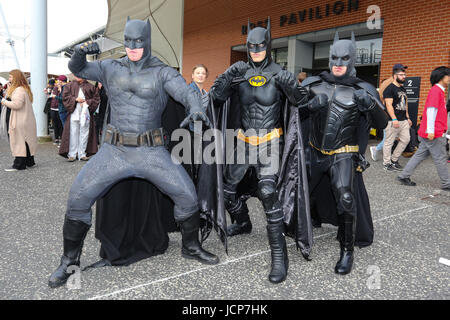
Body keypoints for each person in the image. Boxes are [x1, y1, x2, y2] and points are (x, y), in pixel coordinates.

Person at [48, 18, 218, 289]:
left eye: (139, 43)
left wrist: (196, 107)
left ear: (147, 41)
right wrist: (79, 54)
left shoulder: (162, 72)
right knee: (78, 198)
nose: (133, 48)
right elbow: (78, 68)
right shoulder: (110, 67)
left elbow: (186, 93)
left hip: (151, 152)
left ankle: (191, 246)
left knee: (187, 196)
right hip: (114, 151)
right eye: (128, 43)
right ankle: (70, 262)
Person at [210, 19, 310, 283]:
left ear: (269, 45)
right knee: (227, 189)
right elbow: (216, 98)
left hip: (269, 141)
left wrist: (293, 85)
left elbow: (302, 103)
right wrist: (227, 75)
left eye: (260, 46)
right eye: (251, 46)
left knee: (267, 192)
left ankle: (280, 255)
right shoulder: (241, 73)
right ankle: (243, 222)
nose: (255, 50)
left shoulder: (279, 74)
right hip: (244, 141)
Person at [301, 32, 388, 275]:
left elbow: (383, 123)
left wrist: (370, 105)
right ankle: (298, 230)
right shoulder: (313, 84)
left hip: (343, 154)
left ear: (352, 60)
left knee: (346, 197)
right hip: (315, 151)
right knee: (300, 191)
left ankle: (347, 251)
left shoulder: (364, 88)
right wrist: (309, 107)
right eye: (334, 58)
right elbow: (292, 116)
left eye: (344, 58)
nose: (338, 64)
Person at [397, 66, 450, 191]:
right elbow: (431, 111)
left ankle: (404, 176)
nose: (449, 78)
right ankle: (447, 183)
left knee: (419, 155)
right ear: (441, 77)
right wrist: (431, 131)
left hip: (431, 132)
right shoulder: (436, 91)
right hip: (433, 133)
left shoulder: (438, 91)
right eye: (447, 75)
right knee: (440, 158)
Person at [0, 69, 38, 171]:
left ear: (16, 78)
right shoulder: (22, 89)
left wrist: (3, 101)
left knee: (18, 141)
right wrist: (9, 92)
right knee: (25, 140)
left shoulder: (19, 90)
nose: (9, 79)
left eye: (11, 77)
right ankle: (29, 161)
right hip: (23, 119)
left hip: (19, 120)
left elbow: (16, 105)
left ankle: (19, 164)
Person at [59, 76, 99, 161]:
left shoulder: (91, 87)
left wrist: (87, 102)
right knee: (73, 133)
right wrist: (75, 99)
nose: (77, 76)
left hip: (85, 112)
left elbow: (96, 99)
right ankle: (72, 154)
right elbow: (65, 97)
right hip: (74, 112)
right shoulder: (69, 86)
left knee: (84, 133)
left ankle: (82, 153)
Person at [382, 64, 412, 171]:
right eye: (401, 75)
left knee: (406, 139)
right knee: (389, 142)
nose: (404, 76)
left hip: (403, 120)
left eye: (404, 74)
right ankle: (386, 163)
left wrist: (407, 117)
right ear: (395, 76)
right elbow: (388, 105)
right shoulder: (389, 89)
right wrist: (394, 118)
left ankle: (394, 160)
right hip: (392, 121)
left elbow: (405, 104)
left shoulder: (403, 88)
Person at [369, 76, 394, 161]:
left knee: (390, 137)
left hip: (388, 116)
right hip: (387, 116)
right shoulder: (385, 94)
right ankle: (377, 149)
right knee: (388, 138)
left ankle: (384, 153)